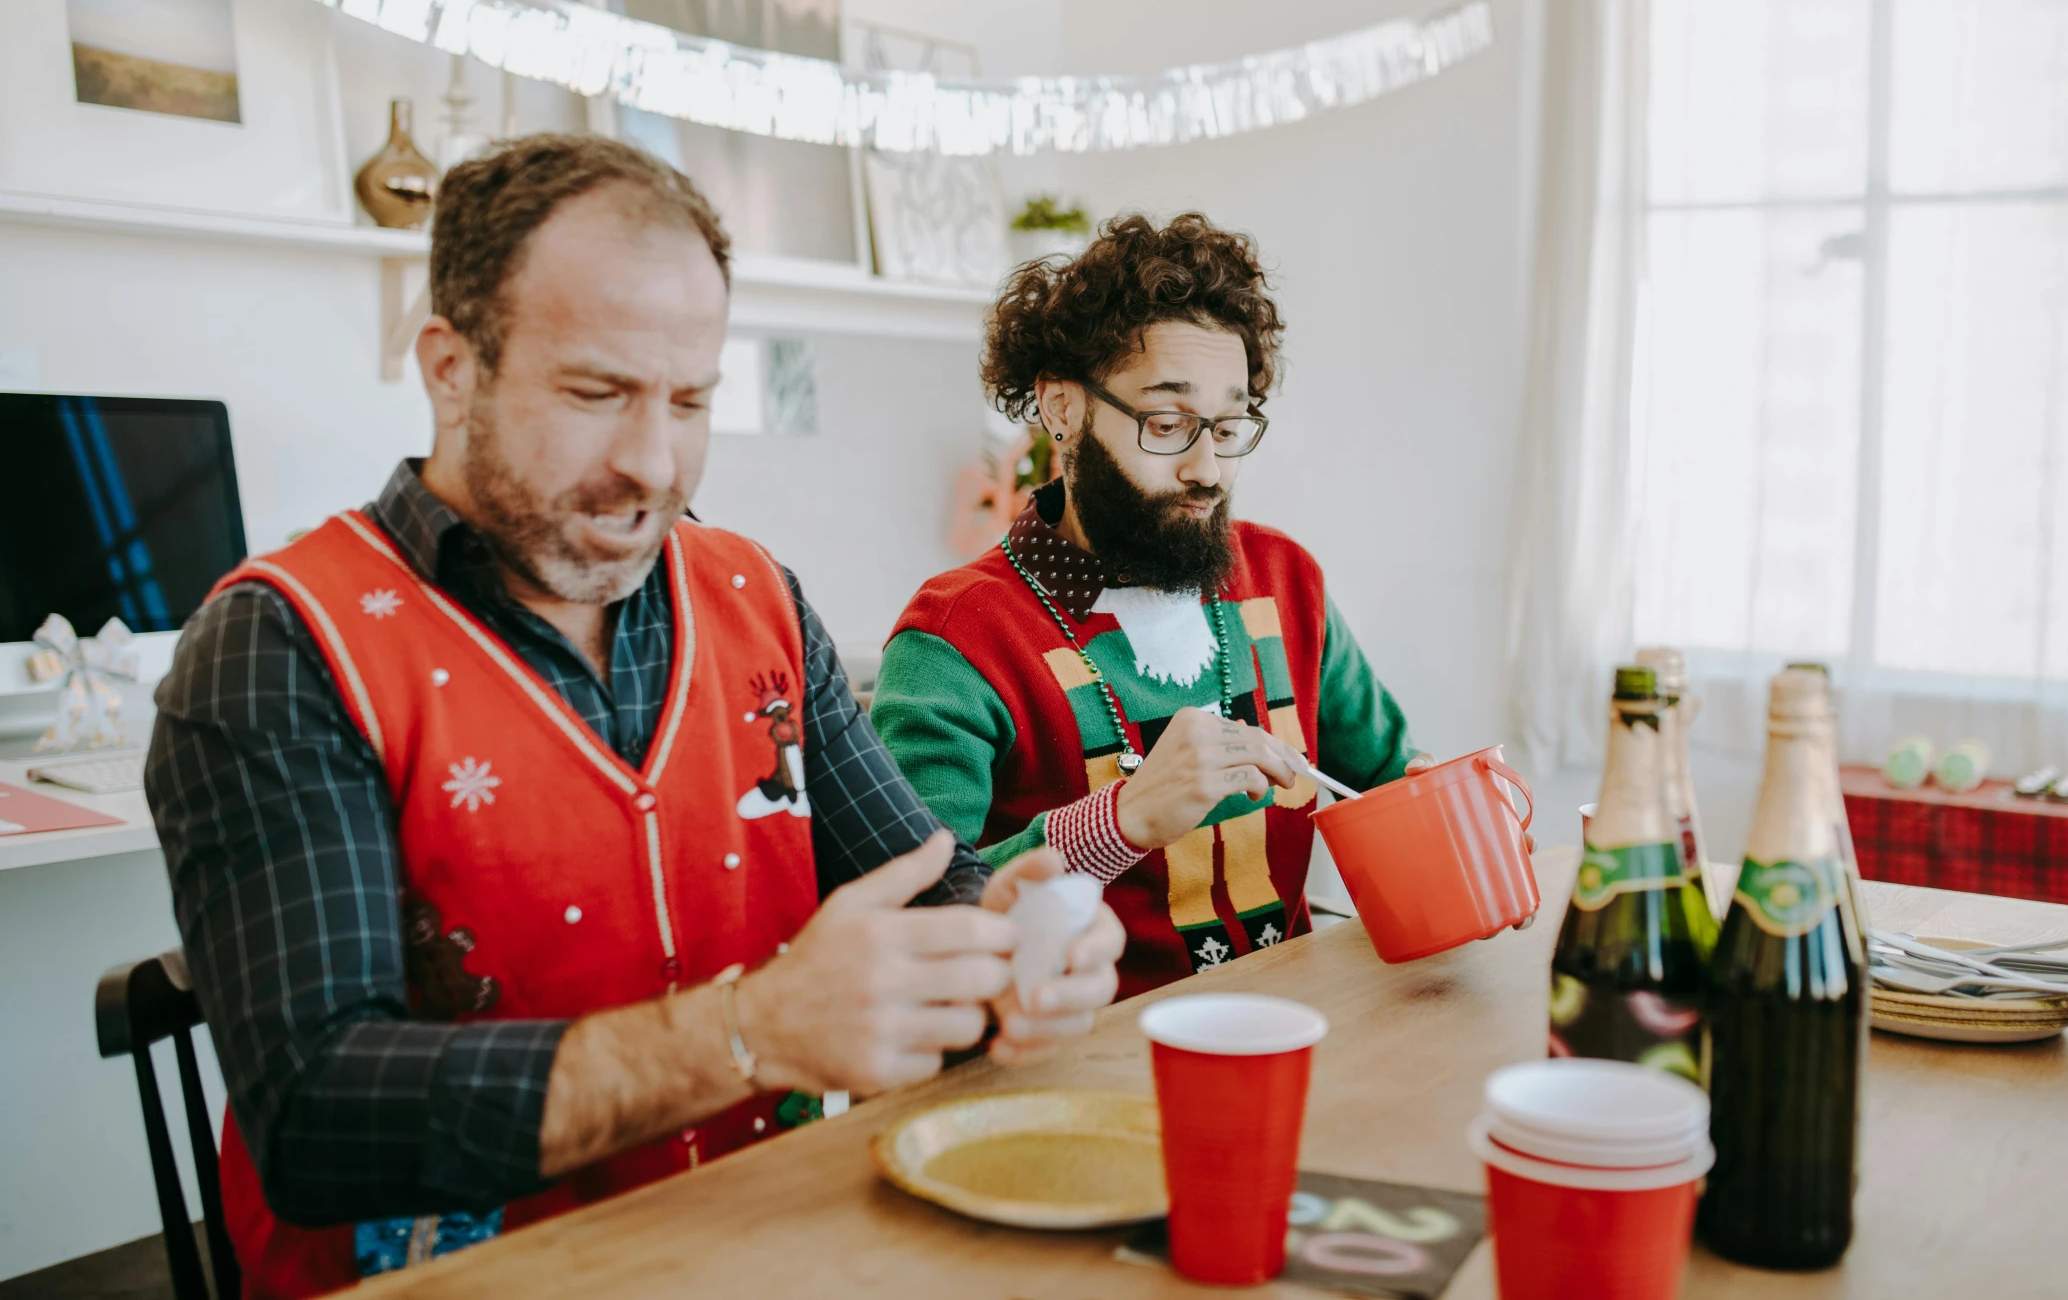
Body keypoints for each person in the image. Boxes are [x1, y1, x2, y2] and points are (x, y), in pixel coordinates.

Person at [145, 135, 1122, 1298]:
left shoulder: (754, 595)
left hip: (772, 1251)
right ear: (450, 366)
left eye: (691, 399)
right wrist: (748, 1031)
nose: (653, 462)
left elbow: (920, 877)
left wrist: (1002, 939)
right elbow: (316, 1114)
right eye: (595, 392)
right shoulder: (280, 646)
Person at [872, 212, 1426, 997]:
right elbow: (910, 919)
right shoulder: (957, 640)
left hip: (1292, 1028)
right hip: (1078, 1061)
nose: (1208, 469)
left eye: (1228, 426)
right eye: (1167, 423)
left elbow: (1386, 777)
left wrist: (1439, 804)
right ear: (1062, 408)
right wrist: (1118, 821)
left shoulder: (1282, 577)